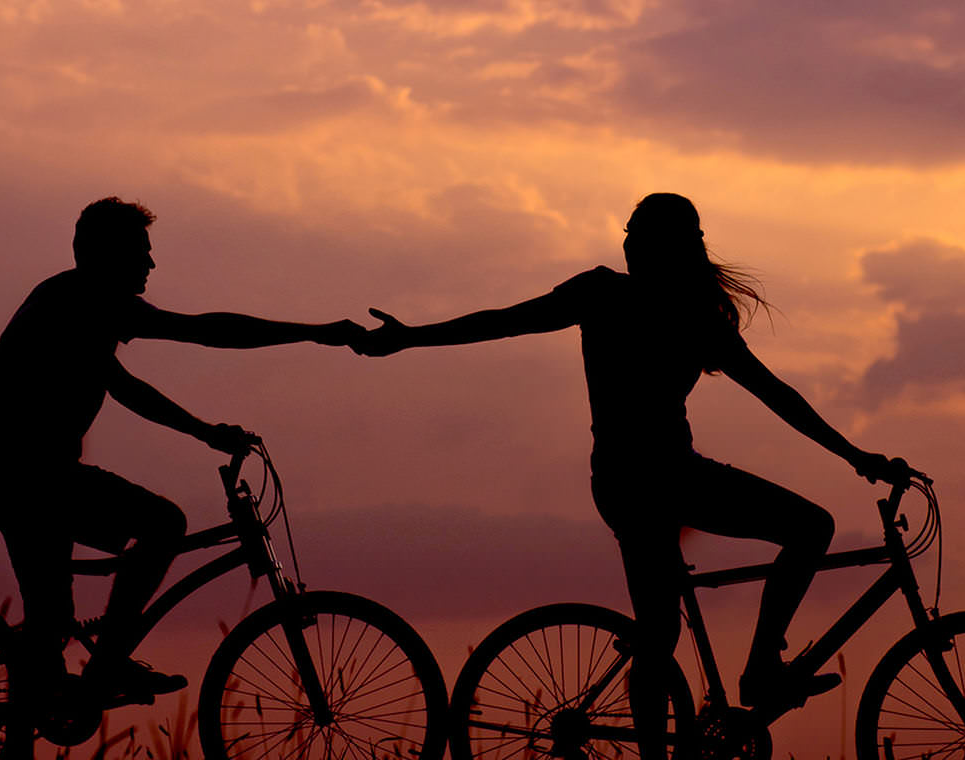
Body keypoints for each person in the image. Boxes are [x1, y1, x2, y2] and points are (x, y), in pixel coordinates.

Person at [352, 192, 915, 757]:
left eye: (638, 233)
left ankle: (702, 715)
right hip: (661, 479)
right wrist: (412, 336)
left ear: (668, 246)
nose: (627, 242)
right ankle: (763, 669)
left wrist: (854, 454)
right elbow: (502, 323)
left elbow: (776, 395)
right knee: (805, 530)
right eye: (628, 231)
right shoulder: (635, 301)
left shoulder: (661, 308)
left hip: (633, 482)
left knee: (661, 631)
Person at [0, 197, 362, 706]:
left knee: (52, 627)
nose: (151, 264)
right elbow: (200, 333)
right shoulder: (82, 301)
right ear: (107, 254)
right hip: (23, 477)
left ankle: (69, 677)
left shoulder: (80, 306)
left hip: (37, 475)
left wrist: (204, 430)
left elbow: (127, 382)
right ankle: (106, 663)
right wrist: (314, 334)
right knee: (162, 525)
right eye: (141, 251)